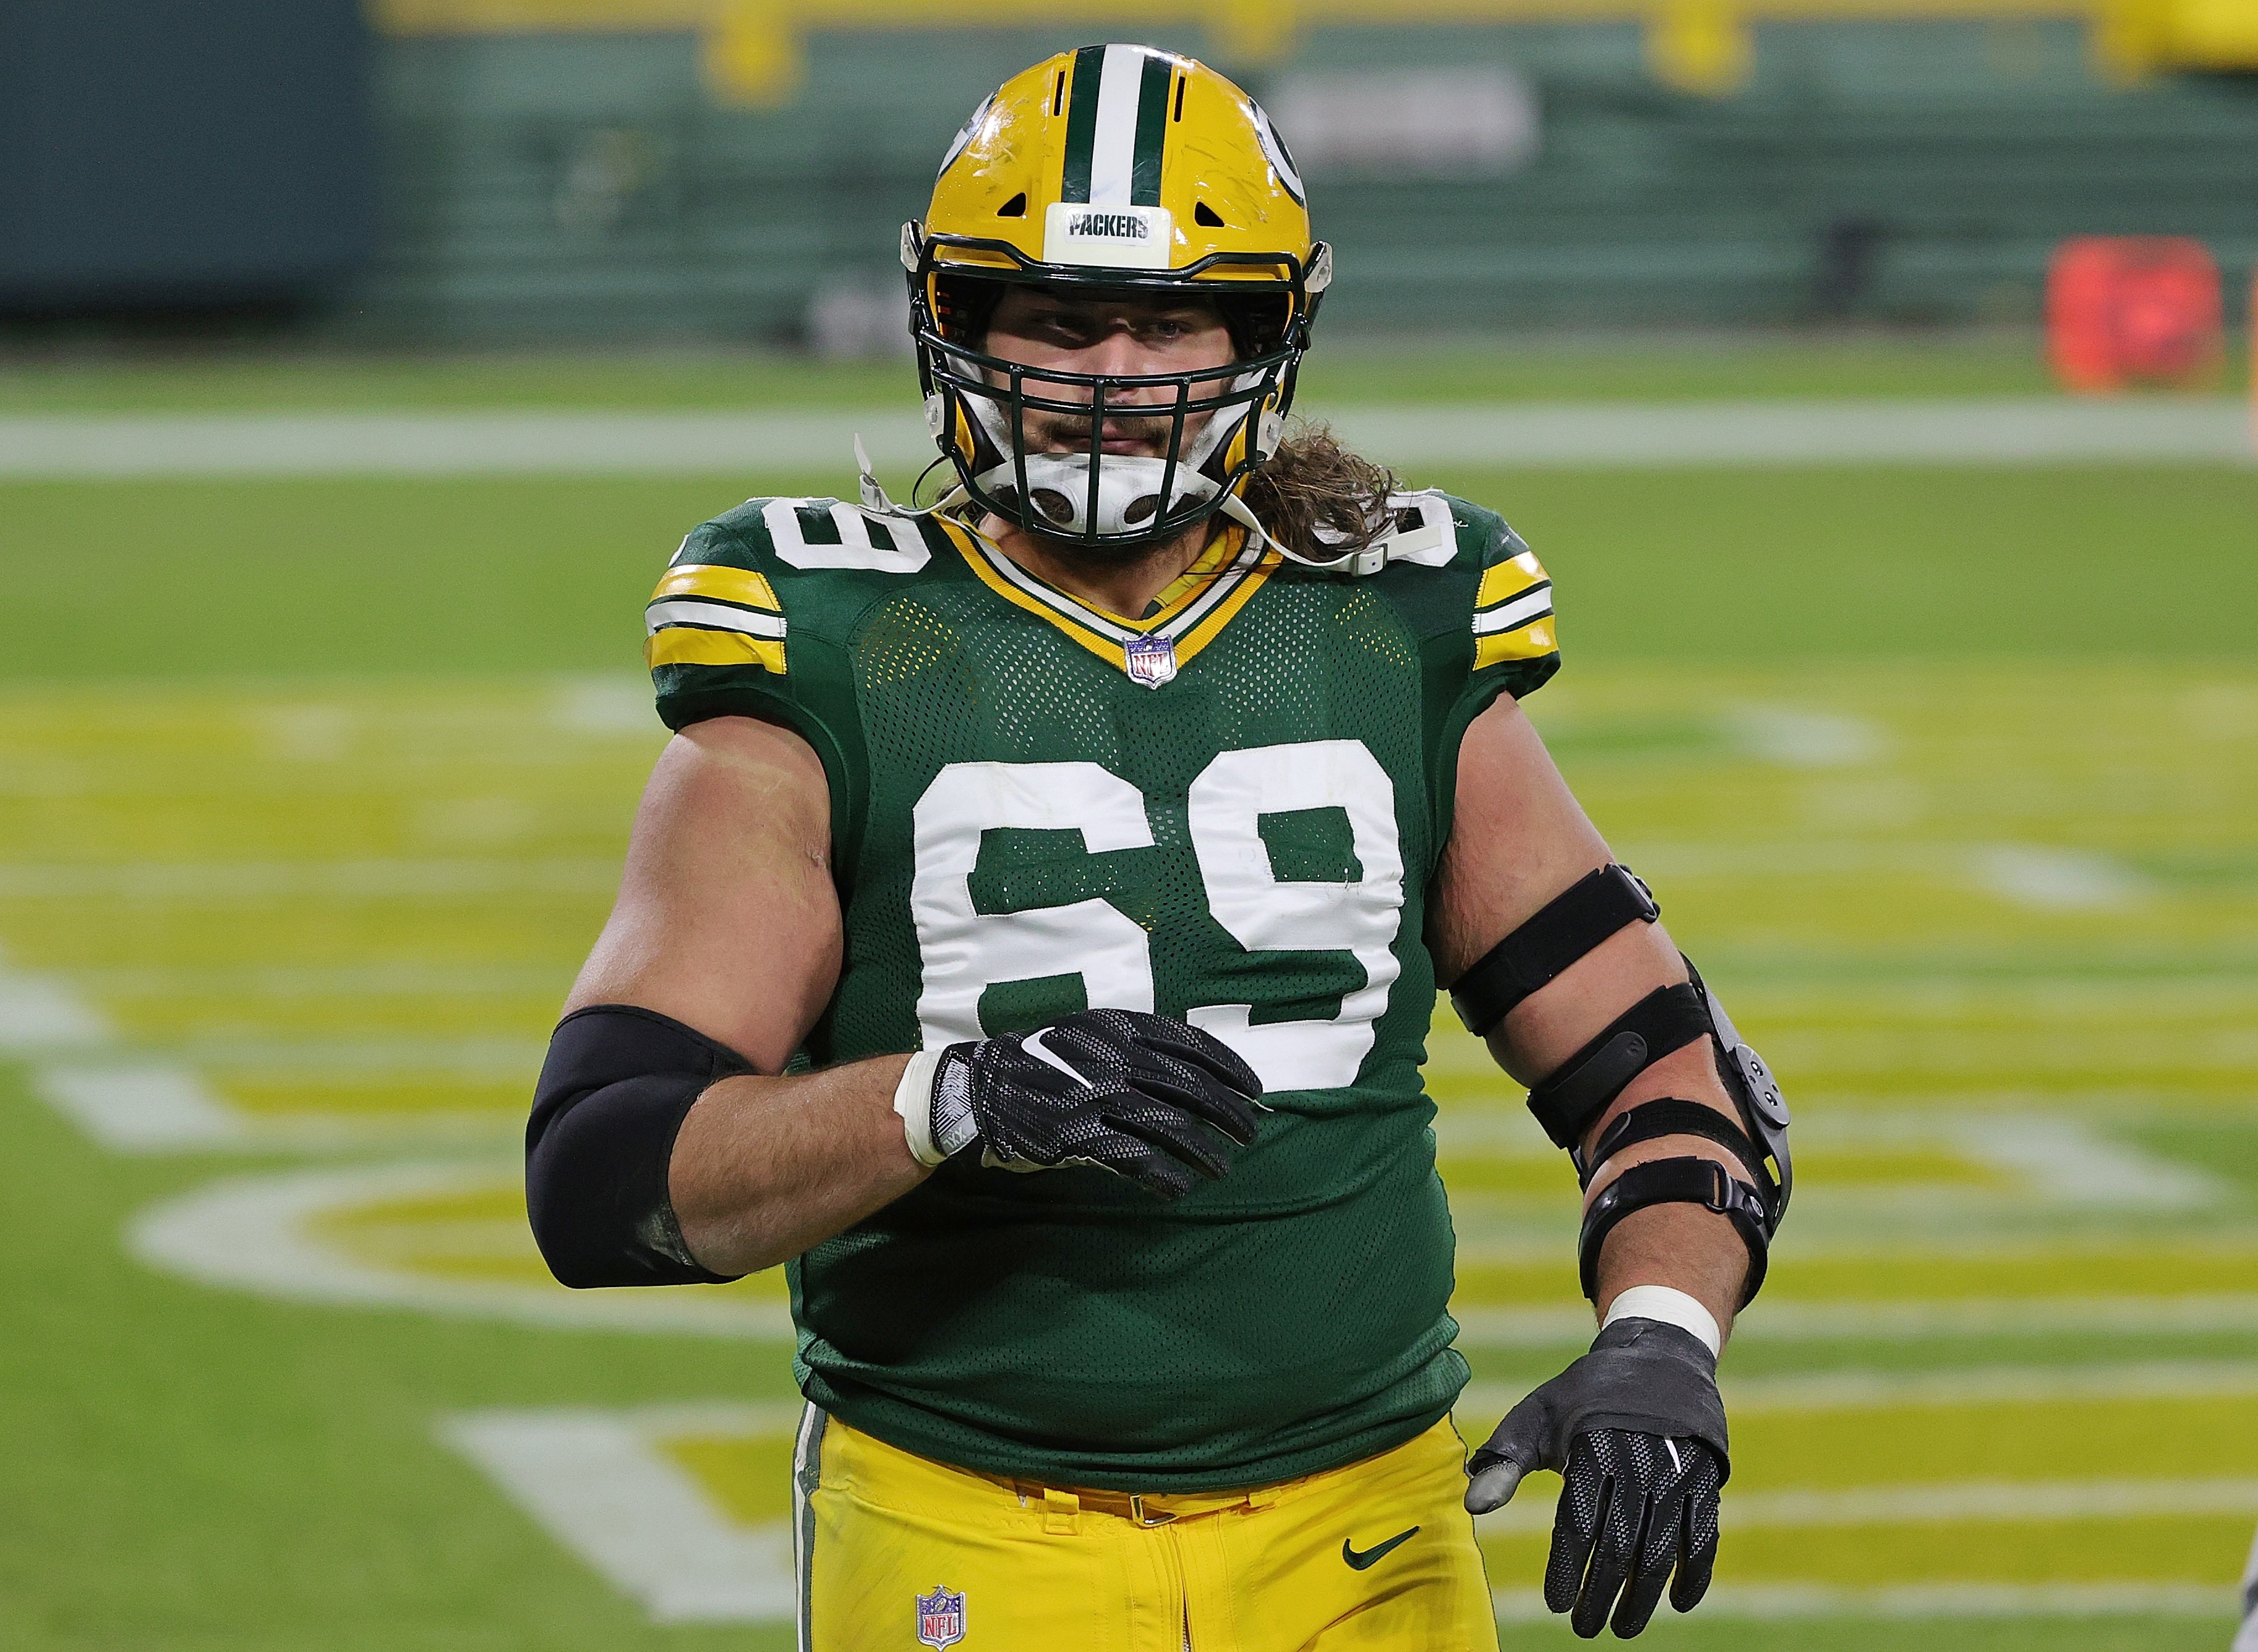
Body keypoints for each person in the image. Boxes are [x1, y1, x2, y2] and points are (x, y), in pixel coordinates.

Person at [526, 43, 1789, 1650]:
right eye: (1059, 319)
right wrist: (957, 1097)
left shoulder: (1392, 621)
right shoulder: (839, 649)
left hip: (1368, 1521)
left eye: (1168, 319)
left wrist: (1664, 1338)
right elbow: (608, 1170)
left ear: (1262, 337)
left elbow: (1667, 1080)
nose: (1116, 371)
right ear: (959, 326)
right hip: (972, 1517)